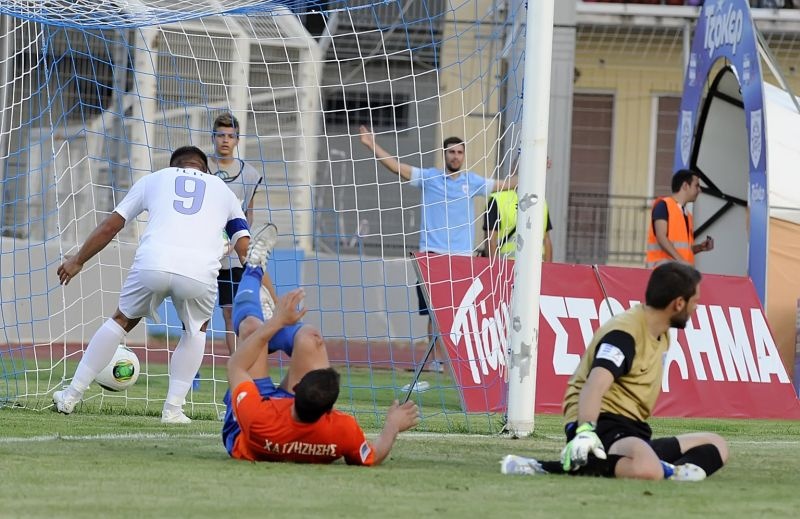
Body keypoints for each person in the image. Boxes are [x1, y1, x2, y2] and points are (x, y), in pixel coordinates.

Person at [53, 146, 251, 424]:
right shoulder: (222, 189)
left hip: (153, 263)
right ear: (205, 170)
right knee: (196, 331)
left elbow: (111, 226)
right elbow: (243, 244)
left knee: (121, 320)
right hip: (199, 271)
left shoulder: (154, 179)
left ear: (173, 167)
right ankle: (173, 410)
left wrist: (77, 260)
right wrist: (255, 280)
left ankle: (71, 395)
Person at [500, 262, 729, 481]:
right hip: (601, 420)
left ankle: (662, 468)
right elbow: (595, 385)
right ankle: (543, 467)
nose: (696, 307)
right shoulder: (625, 334)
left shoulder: (661, 330)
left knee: (716, 445)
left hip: (632, 427)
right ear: (678, 303)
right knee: (648, 469)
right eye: (694, 301)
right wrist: (585, 431)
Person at [222, 224, 420, 464]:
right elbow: (373, 454)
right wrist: (392, 426)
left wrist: (273, 324)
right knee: (310, 338)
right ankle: (271, 328)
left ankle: (254, 267)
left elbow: (236, 365)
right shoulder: (340, 430)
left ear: (296, 388)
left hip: (254, 420)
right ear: (329, 411)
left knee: (251, 329)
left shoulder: (255, 418)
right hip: (282, 418)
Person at [359, 125, 517, 388]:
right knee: (434, 313)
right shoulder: (429, 178)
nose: (455, 156)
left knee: (462, 313)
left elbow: (506, 184)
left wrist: (536, 169)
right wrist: (371, 144)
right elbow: (397, 168)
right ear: (444, 154)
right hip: (432, 257)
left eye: (459, 152)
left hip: (462, 259)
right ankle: (434, 362)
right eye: (451, 152)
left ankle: (460, 362)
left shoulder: (473, 182)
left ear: (464, 156)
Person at [209, 113, 276, 355]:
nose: (225, 140)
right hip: (204, 250)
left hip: (233, 253)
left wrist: (234, 241)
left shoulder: (249, 174)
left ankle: (236, 363)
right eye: (221, 135)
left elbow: (249, 213)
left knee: (231, 312)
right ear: (213, 137)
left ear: (237, 140)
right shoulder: (202, 168)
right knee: (196, 311)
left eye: (231, 136)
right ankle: (190, 367)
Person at [645, 169, 714, 268]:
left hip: (679, 272)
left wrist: (700, 248)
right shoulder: (663, 205)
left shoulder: (687, 215)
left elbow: (683, 250)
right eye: (696, 186)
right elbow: (661, 237)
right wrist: (681, 261)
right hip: (663, 272)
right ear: (685, 186)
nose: (700, 190)